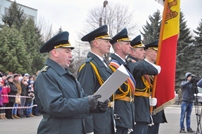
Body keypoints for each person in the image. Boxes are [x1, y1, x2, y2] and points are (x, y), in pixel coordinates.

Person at [34, 31, 108, 134]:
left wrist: (96, 105)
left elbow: (79, 99)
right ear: (55, 53)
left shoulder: (66, 75)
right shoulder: (46, 75)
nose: (71, 56)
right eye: (67, 51)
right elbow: (55, 105)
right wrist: (87, 102)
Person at [77, 25, 115, 134]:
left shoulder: (103, 64)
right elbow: (85, 98)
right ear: (96, 43)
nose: (109, 44)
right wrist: (89, 129)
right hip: (96, 122)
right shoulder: (89, 66)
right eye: (106, 41)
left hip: (106, 119)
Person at [126, 35, 161, 134]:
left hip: (143, 111)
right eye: (141, 50)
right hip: (137, 110)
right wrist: (156, 68)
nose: (144, 52)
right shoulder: (132, 64)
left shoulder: (139, 65)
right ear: (132, 52)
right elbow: (144, 68)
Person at [109, 28, 135, 134]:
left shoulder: (124, 65)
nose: (131, 46)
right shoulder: (114, 65)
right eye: (127, 44)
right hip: (119, 114)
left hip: (127, 113)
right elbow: (109, 94)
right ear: (119, 46)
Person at [144, 40, 167, 134]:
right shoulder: (142, 67)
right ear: (148, 52)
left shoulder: (157, 67)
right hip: (145, 107)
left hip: (156, 108)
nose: (158, 54)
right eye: (156, 51)